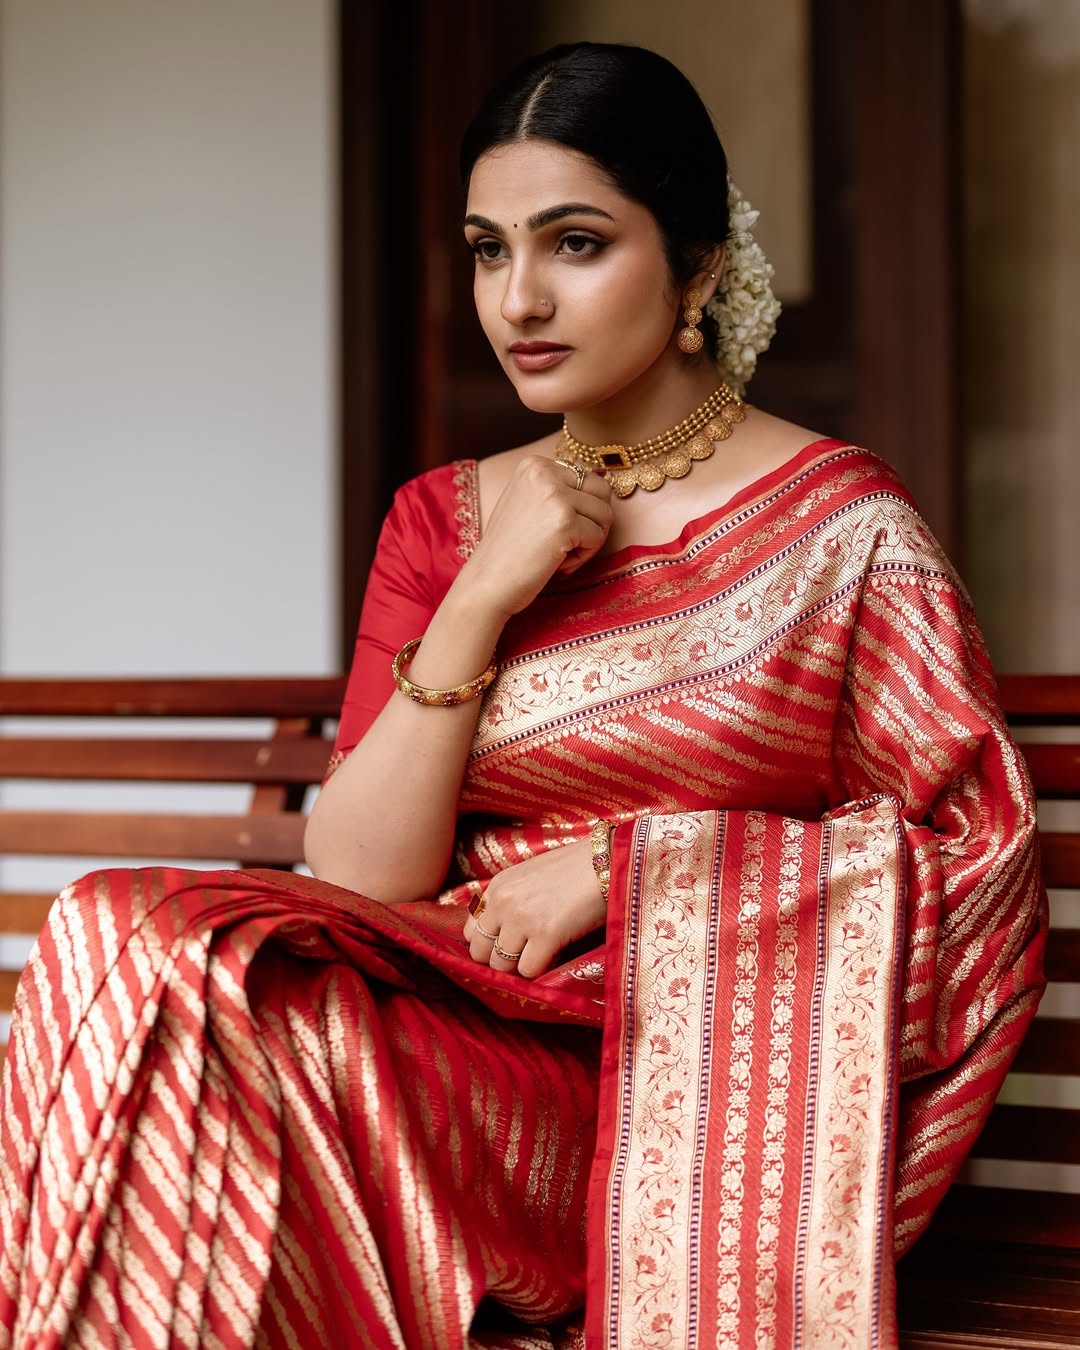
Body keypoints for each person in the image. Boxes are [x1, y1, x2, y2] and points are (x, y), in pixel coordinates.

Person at [0, 41, 1045, 1350]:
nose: (520, 298)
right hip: (430, 1014)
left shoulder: (844, 528)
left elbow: (977, 860)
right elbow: (365, 875)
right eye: (489, 249)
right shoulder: (444, 517)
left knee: (235, 1030)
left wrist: (633, 874)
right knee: (129, 937)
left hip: (653, 1089)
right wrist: (484, 590)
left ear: (701, 266)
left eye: (576, 243)